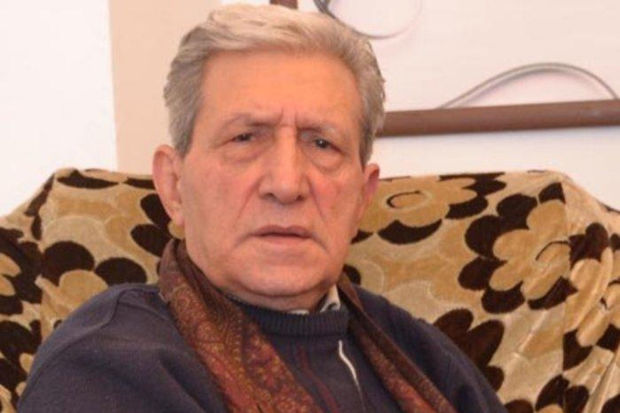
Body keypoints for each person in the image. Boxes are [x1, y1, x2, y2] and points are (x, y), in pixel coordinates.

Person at [19, 4, 506, 412]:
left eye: (322, 143)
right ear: (174, 186)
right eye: (245, 138)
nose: (286, 184)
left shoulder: (425, 360)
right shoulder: (107, 367)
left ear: (362, 196)